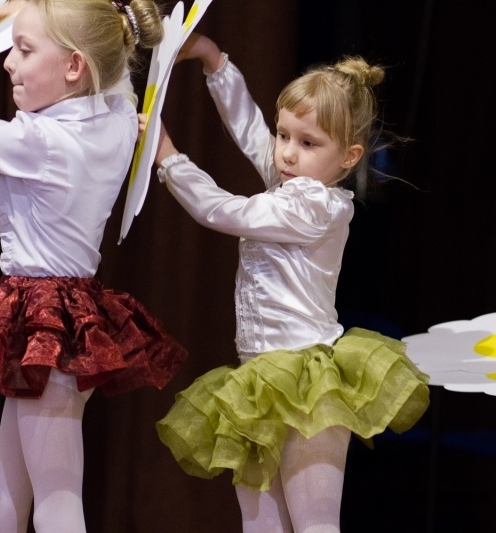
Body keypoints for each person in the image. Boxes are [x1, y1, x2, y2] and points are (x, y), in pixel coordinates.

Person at [0, 1, 188, 531]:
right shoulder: (114, 121)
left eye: (24, 49)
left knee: (58, 496)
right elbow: (118, 90)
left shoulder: (42, 140)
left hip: (47, 320)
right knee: (5, 488)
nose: (8, 63)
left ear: (73, 67)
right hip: (68, 314)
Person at [153, 34, 430, 533]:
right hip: (258, 377)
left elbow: (224, 210)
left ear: (348, 157)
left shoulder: (314, 205)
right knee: (261, 525)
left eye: (307, 143)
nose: (286, 152)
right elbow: (251, 133)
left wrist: (168, 156)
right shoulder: (292, 181)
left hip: (307, 378)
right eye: (285, 136)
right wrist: (216, 62)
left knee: (315, 522)